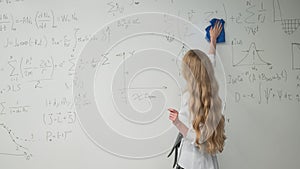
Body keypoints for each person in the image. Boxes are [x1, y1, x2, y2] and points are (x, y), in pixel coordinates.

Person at [167, 21, 226, 169]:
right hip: (208, 163)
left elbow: (196, 138)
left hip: (191, 163)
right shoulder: (210, 87)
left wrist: (177, 122)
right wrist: (213, 41)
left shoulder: (191, 99)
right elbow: (211, 62)